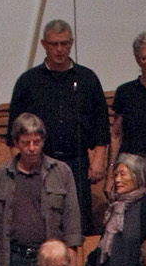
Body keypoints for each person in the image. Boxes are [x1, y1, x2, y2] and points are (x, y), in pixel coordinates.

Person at [10, 20, 109, 238]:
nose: (59, 49)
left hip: (77, 163)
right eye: (54, 44)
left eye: (64, 43)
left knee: (79, 222)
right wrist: (20, 167)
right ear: (44, 44)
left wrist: (99, 161)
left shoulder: (87, 79)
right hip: (39, 162)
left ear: (72, 43)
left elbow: (102, 125)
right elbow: (14, 132)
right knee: (41, 220)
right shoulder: (28, 81)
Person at [0, 115, 84, 266]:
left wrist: (72, 250)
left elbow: (72, 214)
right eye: (26, 143)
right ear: (16, 143)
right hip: (13, 259)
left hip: (49, 259)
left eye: (36, 142)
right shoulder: (0, 176)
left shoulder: (61, 172)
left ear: (43, 141)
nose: (32, 148)